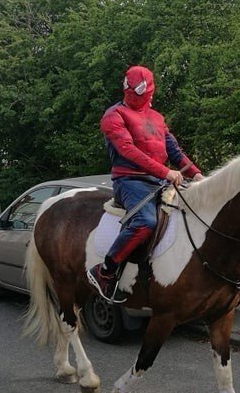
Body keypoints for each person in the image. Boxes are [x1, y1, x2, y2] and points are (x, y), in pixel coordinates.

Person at [87, 65, 203, 300]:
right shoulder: (114, 116)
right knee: (145, 221)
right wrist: (165, 172)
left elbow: (174, 151)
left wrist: (198, 175)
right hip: (129, 182)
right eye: (134, 90)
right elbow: (128, 150)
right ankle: (105, 271)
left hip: (159, 180)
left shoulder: (157, 118)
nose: (138, 95)